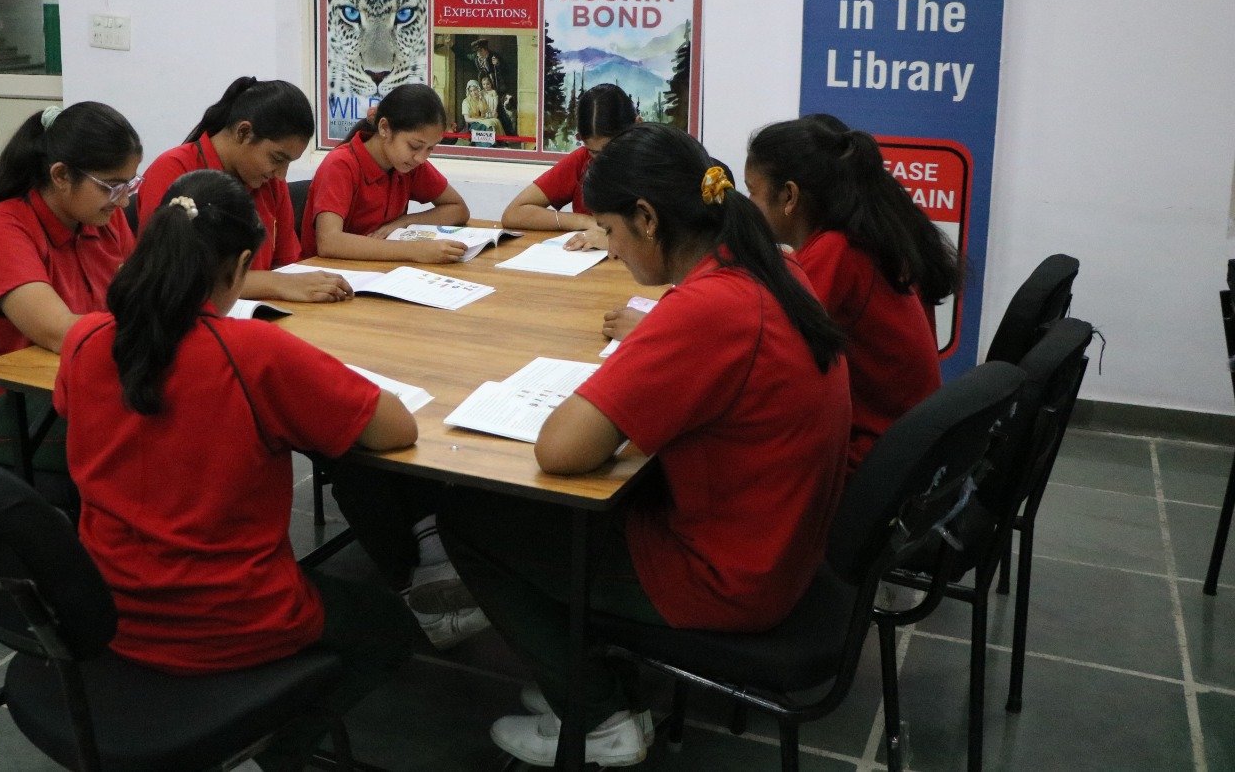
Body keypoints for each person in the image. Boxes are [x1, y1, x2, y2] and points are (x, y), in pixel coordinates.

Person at [441, 124, 851, 768]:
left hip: (728, 575)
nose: (610, 249)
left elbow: (560, 450)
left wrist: (618, 378)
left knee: (471, 517)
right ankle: (590, 672)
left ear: (648, 218)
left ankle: (598, 718)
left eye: (609, 231)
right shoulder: (772, 266)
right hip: (781, 545)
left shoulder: (709, 308)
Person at [57, 170, 420, 772]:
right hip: (230, 619)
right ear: (244, 265)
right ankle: (267, 748)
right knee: (390, 629)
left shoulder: (86, 339)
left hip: (107, 609)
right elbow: (396, 429)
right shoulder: (254, 352)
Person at [745, 113, 959, 471]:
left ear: (789, 196)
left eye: (752, 192)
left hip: (874, 460)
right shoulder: (865, 232)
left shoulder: (836, 251)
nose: (747, 204)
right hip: (906, 449)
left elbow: (764, 349)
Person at [0, 102, 141, 487]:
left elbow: (141, 294)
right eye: (111, 186)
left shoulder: (104, 218)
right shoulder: (3, 229)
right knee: (160, 435)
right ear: (60, 175)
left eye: (129, 185)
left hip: (89, 378)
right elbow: (59, 332)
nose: (123, 200)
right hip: (12, 405)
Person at [138, 77, 351, 304]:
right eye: (277, 158)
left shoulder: (271, 184)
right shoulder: (174, 170)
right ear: (243, 132)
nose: (281, 175)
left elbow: (286, 264)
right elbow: (169, 276)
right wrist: (278, 284)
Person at [301, 83, 471, 262]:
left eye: (430, 148)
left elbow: (458, 209)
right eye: (414, 146)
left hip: (379, 269)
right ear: (384, 128)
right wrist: (415, 250)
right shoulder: (341, 164)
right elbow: (329, 242)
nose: (421, 158)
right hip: (327, 272)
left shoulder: (408, 164)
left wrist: (405, 222)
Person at [501, 83, 636, 249]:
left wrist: (617, 242)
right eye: (595, 152)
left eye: (613, 149)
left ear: (636, 127)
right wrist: (585, 221)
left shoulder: (654, 163)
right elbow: (514, 214)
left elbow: (664, 236)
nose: (604, 160)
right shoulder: (582, 160)